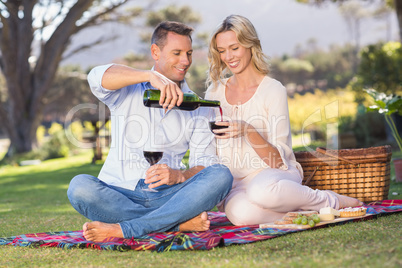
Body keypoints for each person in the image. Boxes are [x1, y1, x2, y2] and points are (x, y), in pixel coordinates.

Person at [67, 21, 233, 242]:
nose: (185, 61)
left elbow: (204, 162)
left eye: (189, 53)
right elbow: (96, 77)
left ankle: (127, 228)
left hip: (169, 196)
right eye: (177, 53)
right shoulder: (128, 90)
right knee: (79, 186)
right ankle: (175, 225)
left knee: (221, 174)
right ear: (155, 52)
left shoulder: (197, 106)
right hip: (119, 192)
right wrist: (149, 76)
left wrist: (180, 175)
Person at [205, 15, 362, 225]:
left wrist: (248, 131)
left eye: (234, 48)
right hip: (235, 184)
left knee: (261, 191)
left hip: (274, 177)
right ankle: (308, 214)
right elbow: (209, 147)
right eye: (222, 51)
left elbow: (278, 161)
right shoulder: (214, 92)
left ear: (250, 45)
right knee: (240, 215)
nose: (228, 57)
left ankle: (330, 201)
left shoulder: (273, 90)